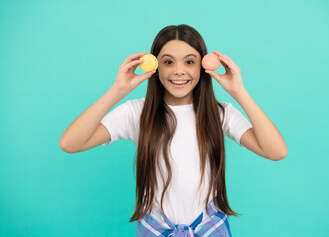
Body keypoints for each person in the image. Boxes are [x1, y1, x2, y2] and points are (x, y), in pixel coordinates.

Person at [60, 24, 287, 236]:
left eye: (189, 62)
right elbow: (70, 143)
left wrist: (239, 92)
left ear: (203, 66)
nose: (179, 71)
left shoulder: (219, 113)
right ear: (155, 67)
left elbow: (276, 151)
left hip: (210, 228)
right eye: (168, 62)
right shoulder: (136, 112)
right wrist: (118, 90)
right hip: (155, 228)